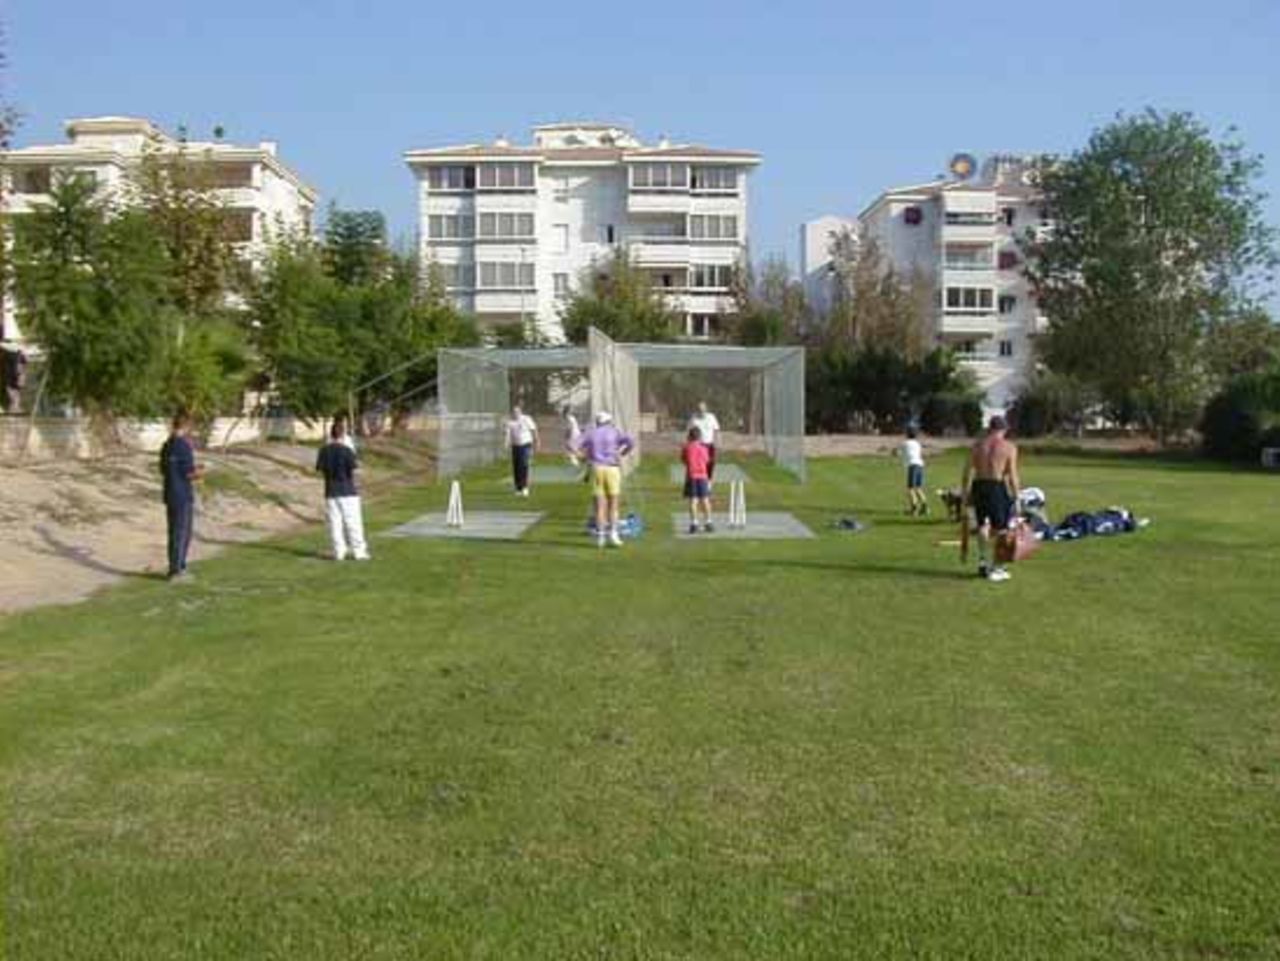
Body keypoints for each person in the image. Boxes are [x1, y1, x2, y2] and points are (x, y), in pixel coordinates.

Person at [962, 414, 1021, 582]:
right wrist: (1017, 498)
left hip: (979, 486)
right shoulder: (1009, 447)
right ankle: (996, 568)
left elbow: (967, 473)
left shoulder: (977, 446)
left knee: (982, 525)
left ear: (989, 428)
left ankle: (983, 561)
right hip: (996, 487)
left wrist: (965, 496)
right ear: (1004, 429)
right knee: (1001, 529)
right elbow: (1013, 476)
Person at [576, 411, 634, 548]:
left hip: (597, 469)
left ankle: (601, 536)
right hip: (612, 469)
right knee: (613, 504)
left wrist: (583, 457)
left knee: (600, 506)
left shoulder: (591, 433)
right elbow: (631, 441)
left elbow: (572, 445)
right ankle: (613, 534)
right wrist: (623, 452)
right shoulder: (614, 431)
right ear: (609, 421)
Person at [315, 421, 370, 561]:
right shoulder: (347, 450)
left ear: (331, 433)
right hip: (348, 491)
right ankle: (359, 552)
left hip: (330, 492)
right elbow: (356, 471)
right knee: (353, 523)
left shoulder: (323, 450)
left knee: (335, 524)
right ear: (343, 434)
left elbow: (320, 469)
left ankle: (338, 552)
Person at [158, 412, 203, 582]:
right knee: (182, 532)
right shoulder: (184, 446)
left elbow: (163, 470)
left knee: (174, 532)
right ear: (186, 426)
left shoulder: (166, 445)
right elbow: (189, 473)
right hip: (182, 495)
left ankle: (176, 567)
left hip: (170, 493)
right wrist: (199, 473)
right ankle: (177, 570)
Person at [681, 426, 714, 534]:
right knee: (705, 499)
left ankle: (694, 523)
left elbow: (684, 460)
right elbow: (707, 461)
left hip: (691, 476)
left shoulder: (686, 448)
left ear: (690, 436)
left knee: (693, 500)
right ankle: (708, 522)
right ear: (699, 437)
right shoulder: (704, 448)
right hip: (703, 476)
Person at [506, 405, 539, 496]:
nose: (515, 413)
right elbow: (508, 435)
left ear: (520, 412)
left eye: (517, 412)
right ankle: (518, 488)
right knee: (516, 466)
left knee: (524, 465)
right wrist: (507, 444)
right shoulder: (510, 422)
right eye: (513, 412)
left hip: (525, 445)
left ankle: (525, 487)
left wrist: (537, 441)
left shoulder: (526, 419)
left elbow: (534, 430)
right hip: (515, 446)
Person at [688, 401, 721, 482]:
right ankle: (698, 482)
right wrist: (689, 444)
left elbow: (716, 430)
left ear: (706, 409)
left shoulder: (711, 417)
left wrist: (719, 442)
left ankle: (709, 482)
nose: (701, 411)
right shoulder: (694, 418)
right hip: (698, 445)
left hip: (709, 444)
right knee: (699, 465)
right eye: (699, 410)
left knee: (711, 463)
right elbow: (689, 432)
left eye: (703, 410)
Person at [900, 427, 928, 516]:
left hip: (912, 466)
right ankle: (925, 507)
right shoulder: (917, 443)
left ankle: (914, 508)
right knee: (918, 488)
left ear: (907, 434)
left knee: (910, 488)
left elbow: (898, 451)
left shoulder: (905, 443)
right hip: (920, 465)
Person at [2, 343, 27, 414]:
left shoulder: (17, 354)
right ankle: (15, 406)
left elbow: (23, 364)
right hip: (14, 374)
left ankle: (15, 406)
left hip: (13, 374)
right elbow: (23, 364)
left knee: (14, 389)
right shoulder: (19, 354)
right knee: (15, 390)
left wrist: (21, 374)